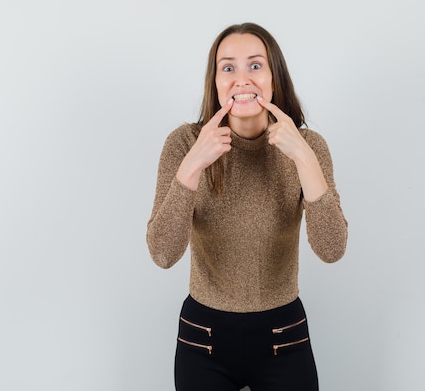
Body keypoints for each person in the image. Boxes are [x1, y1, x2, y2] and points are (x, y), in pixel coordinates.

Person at [146, 22, 348, 391]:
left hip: (283, 335)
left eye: (255, 66)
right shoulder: (184, 143)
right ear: (215, 82)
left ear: (274, 78)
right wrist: (192, 166)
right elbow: (162, 253)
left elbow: (332, 249)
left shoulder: (308, 146)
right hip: (202, 338)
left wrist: (304, 158)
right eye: (228, 67)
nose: (242, 79)